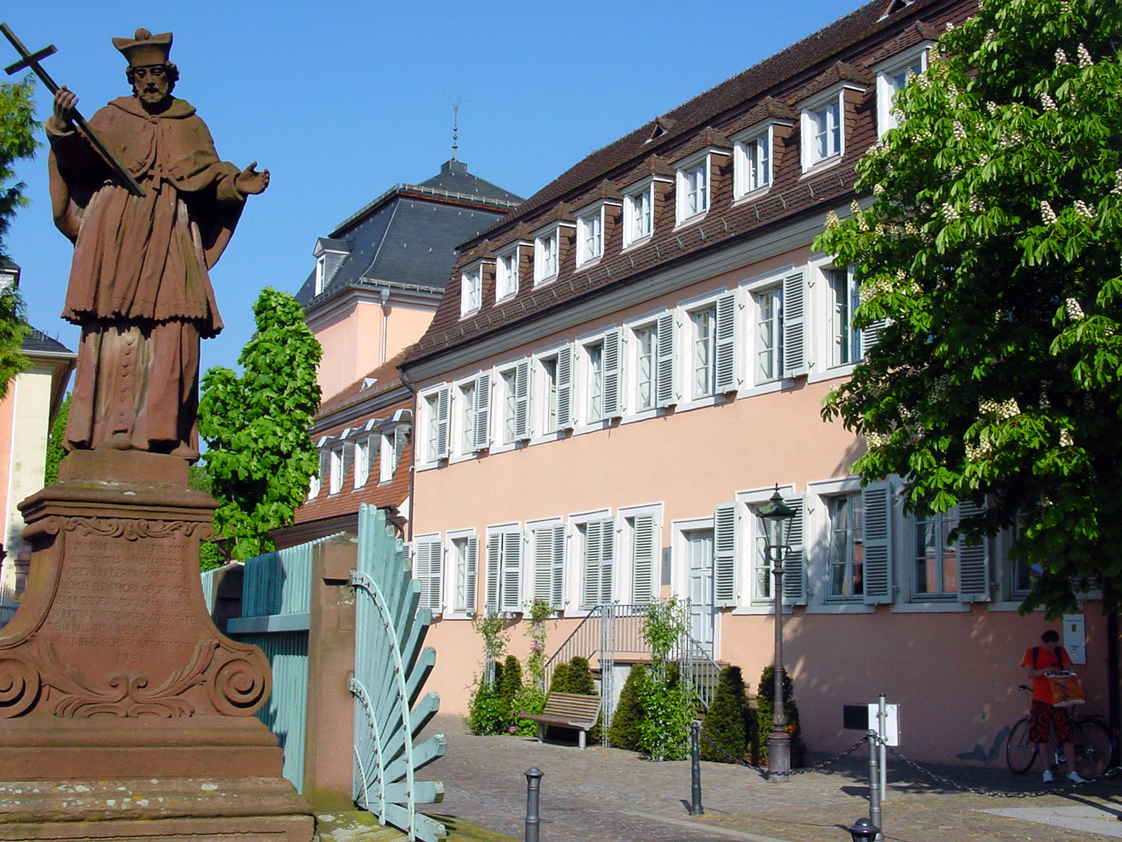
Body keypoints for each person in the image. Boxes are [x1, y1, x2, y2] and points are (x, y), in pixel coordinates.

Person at [46, 28, 269, 459]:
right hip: (117, 230)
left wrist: (236, 186)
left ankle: (163, 432)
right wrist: (62, 125)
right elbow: (77, 165)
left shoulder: (191, 124)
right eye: (141, 74)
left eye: (157, 73)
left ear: (171, 75)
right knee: (113, 320)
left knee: (179, 319)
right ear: (131, 78)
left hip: (172, 230)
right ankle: (108, 429)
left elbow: (209, 177)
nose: (150, 81)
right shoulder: (111, 117)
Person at [1021, 629, 1086, 783]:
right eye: (1050, 646)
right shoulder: (1032, 653)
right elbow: (1030, 673)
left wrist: (1062, 671)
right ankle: (1047, 771)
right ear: (1043, 642)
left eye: (1054, 646)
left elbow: (1068, 668)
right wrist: (1046, 671)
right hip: (1041, 699)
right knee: (1041, 736)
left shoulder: (1060, 652)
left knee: (1067, 735)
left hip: (1059, 700)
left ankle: (1072, 772)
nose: (1052, 649)